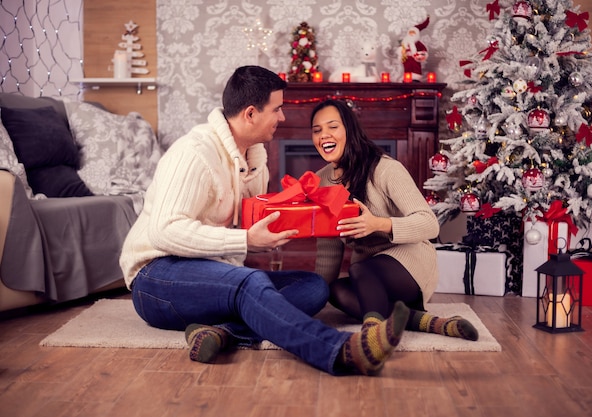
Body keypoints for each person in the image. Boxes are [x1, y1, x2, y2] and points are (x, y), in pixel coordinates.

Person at [119, 66, 410, 376]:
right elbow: (164, 232)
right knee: (252, 282)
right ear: (250, 114)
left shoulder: (254, 159)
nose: (282, 118)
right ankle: (342, 351)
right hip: (156, 279)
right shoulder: (193, 154)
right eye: (277, 109)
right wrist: (246, 240)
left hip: (213, 276)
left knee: (312, 287)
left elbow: (248, 221)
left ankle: (223, 332)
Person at [310, 99, 478, 341]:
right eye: (317, 130)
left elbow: (429, 223)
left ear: (349, 129)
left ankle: (373, 339)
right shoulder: (321, 180)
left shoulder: (385, 169)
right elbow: (328, 249)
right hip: (370, 275)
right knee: (335, 290)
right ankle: (428, 322)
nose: (324, 135)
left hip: (411, 264)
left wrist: (378, 224)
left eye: (332, 127)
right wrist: (314, 298)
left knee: (360, 270)